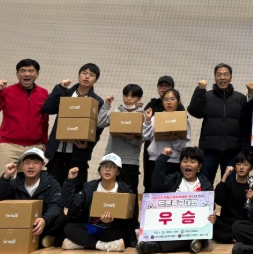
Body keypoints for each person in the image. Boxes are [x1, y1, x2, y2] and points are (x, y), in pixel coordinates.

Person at [136, 146, 216, 254]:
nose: (188, 164)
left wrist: (211, 216)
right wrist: (162, 158)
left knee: (195, 233)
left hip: (192, 227)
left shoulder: (205, 185)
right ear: (180, 164)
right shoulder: (174, 179)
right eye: (185, 161)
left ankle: (156, 247)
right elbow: (157, 184)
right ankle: (191, 244)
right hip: (171, 226)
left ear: (199, 166)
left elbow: (210, 209)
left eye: (193, 162)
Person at [42, 64, 105, 192]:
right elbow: (47, 108)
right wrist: (60, 88)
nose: (87, 77)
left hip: (77, 154)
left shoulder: (97, 101)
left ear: (96, 80)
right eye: (84, 73)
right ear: (78, 75)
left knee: (76, 191)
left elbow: (98, 128)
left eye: (91, 75)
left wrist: (87, 145)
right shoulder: (65, 94)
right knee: (53, 190)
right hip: (57, 151)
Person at [61, 153, 137, 252]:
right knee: (69, 228)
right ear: (99, 170)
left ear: (118, 172)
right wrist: (70, 181)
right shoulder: (90, 188)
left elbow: (131, 219)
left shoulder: (125, 191)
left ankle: (83, 243)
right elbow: (69, 203)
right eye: (104, 166)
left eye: (112, 167)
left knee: (121, 233)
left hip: (112, 229)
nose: (108, 169)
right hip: (92, 227)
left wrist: (111, 221)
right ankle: (102, 245)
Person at [189, 63, 247, 184]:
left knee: (229, 186)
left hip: (232, 151)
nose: (222, 78)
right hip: (209, 151)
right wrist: (199, 90)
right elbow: (195, 112)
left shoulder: (240, 98)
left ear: (231, 77)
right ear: (215, 78)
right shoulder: (206, 96)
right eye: (219, 75)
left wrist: (243, 149)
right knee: (205, 184)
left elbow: (246, 122)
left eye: (225, 74)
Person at [0, 148, 66, 248]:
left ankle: (40, 238)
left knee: (62, 218)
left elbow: (55, 206)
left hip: (41, 223)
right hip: (20, 223)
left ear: (43, 165)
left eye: (36, 163)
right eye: (27, 163)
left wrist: (44, 220)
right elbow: (2, 199)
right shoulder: (15, 183)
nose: (31, 166)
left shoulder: (52, 183)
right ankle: (43, 240)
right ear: (21, 165)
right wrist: (6, 177)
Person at [96, 84, 146, 192]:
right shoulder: (117, 112)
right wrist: (106, 105)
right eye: (126, 95)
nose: (128, 99)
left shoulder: (141, 115)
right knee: (110, 191)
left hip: (130, 161)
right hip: (112, 159)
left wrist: (131, 138)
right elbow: (101, 123)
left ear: (139, 98)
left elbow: (143, 138)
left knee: (129, 193)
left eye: (132, 96)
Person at [0, 59, 49, 168]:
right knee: (4, 178)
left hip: (35, 147)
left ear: (37, 74)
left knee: (31, 179)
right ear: (17, 74)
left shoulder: (43, 93)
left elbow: (45, 119)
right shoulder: (7, 91)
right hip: (9, 146)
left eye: (31, 71)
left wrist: (44, 142)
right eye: (23, 71)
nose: (27, 74)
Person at [142, 89, 191, 181]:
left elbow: (185, 146)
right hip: (155, 160)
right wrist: (148, 120)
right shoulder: (156, 118)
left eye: (172, 99)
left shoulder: (183, 119)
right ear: (162, 102)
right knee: (155, 188)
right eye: (166, 99)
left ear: (178, 102)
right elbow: (146, 136)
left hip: (174, 161)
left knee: (172, 189)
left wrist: (175, 140)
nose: (169, 102)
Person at [142, 75, 178, 193]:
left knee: (171, 188)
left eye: (167, 86)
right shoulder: (152, 105)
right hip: (153, 155)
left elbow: (183, 140)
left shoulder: (180, 111)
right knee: (150, 185)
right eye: (161, 86)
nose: (163, 88)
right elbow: (145, 134)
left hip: (173, 158)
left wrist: (175, 138)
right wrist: (147, 119)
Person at [213, 151, 253, 243]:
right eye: (238, 164)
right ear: (235, 167)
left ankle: (230, 237)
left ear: (251, 167)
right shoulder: (228, 185)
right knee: (211, 221)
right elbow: (218, 200)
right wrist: (225, 176)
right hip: (227, 222)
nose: (241, 167)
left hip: (243, 223)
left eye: (245, 164)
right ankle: (235, 237)